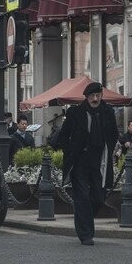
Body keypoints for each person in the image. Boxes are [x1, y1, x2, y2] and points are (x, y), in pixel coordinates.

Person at [51, 81, 118, 245]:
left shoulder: (107, 111)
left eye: (98, 96)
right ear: (86, 97)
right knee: (82, 197)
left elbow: (114, 133)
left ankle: (84, 219)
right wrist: (70, 150)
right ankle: (86, 234)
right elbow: (63, 136)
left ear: (102, 96)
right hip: (80, 160)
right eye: (92, 96)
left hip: (99, 159)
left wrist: (111, 148)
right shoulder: (76, 113)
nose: (95, 99)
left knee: (99, 197)